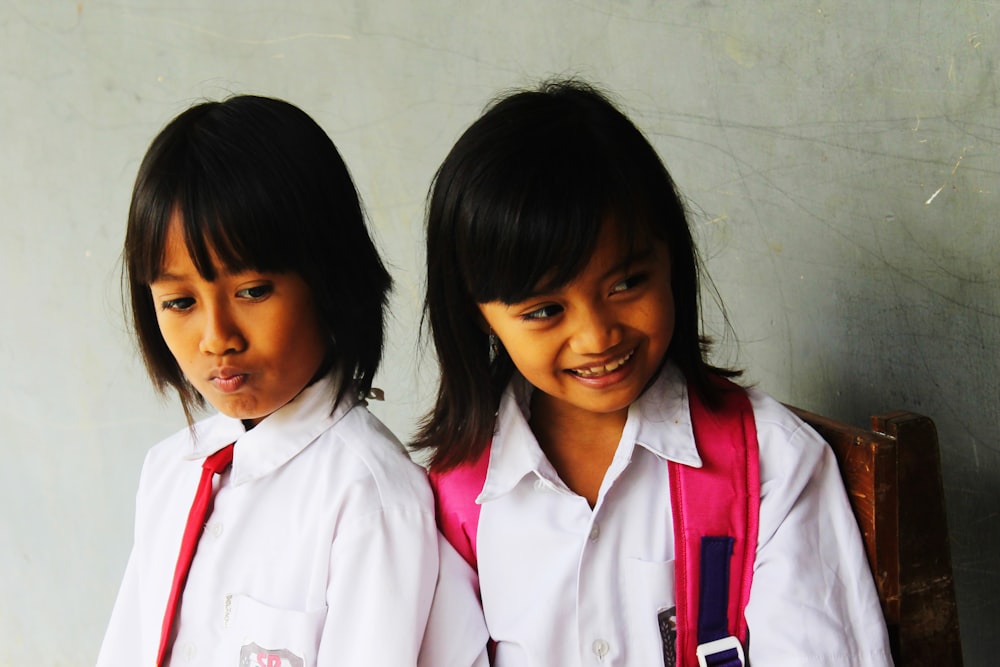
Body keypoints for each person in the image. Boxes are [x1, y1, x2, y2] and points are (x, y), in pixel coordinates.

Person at [413, 80, 893, 666]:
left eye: (626, 284)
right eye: (544, 310)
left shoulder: (769, 465)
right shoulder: (451, 501)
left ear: (672, 261)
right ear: (478, 315)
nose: (597, 336)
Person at [96, 95, 487, 666]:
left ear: (331, 281)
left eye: (252, 291)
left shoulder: (371, 498)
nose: (216, 337)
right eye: (179, 301)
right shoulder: (170, 473)